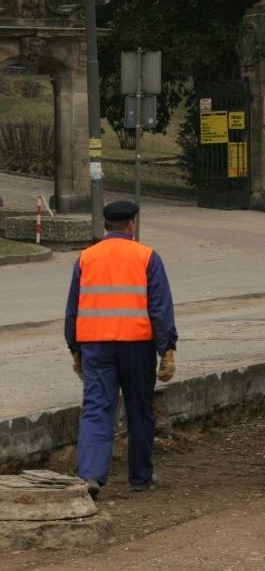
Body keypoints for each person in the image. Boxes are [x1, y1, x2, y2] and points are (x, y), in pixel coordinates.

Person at [64, 200, 178, 500]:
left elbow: (73, 308)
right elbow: (160, 308)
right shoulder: (147, 257)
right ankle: (140, 477)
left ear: (106, 227)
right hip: (137, 346)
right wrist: (166, 349)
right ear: (131, 225)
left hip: (96, 347)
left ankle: (90, 475)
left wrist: (75, 349)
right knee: (139, 410)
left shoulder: (86, 258)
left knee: (97, 409)